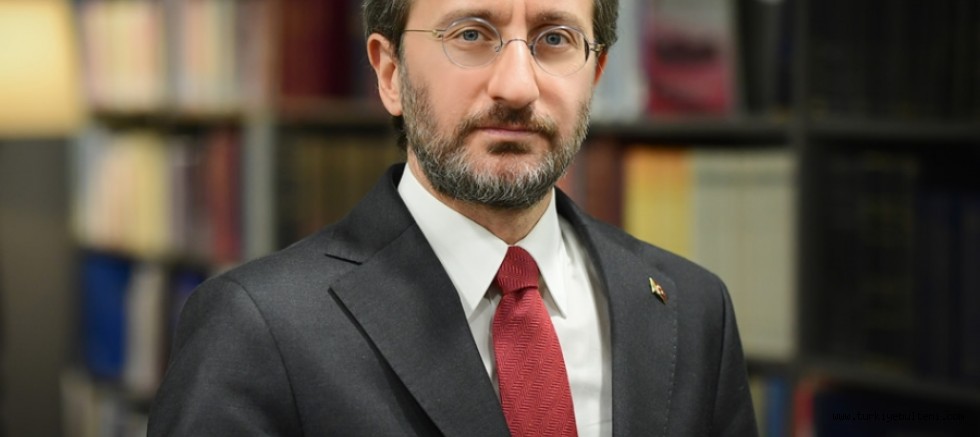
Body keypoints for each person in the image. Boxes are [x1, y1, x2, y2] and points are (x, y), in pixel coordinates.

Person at [148, 0, 758, 435]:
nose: (517, 86)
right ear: (390, 73)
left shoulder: (694, 309)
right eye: (471, 34)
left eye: (555, 39)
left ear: (595, 75)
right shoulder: (256, 328)